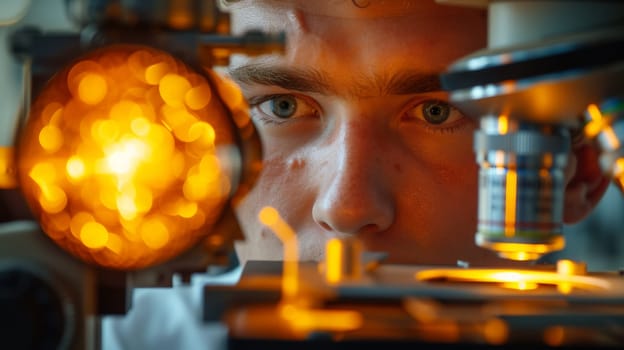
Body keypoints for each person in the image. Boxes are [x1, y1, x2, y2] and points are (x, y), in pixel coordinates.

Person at [101, 0, 610, 348]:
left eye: (436, 113)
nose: (346, 207)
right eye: (280, 106)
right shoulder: (109, 337)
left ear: (581, 171)